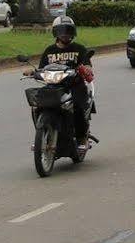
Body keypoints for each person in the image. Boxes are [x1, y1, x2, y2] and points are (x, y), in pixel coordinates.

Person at [27, 16, 96, 146]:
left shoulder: (79, 49)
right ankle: (42, 130)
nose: (65, 34)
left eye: (68, 30)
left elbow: (87, 65)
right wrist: (32, 72)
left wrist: (86, 69)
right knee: (36, 104)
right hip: (54, 86)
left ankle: (81, 137)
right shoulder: (49, 51)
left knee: (77, 106)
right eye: (62, 31)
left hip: (74, 85)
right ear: (56, 32)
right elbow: (42, 68)